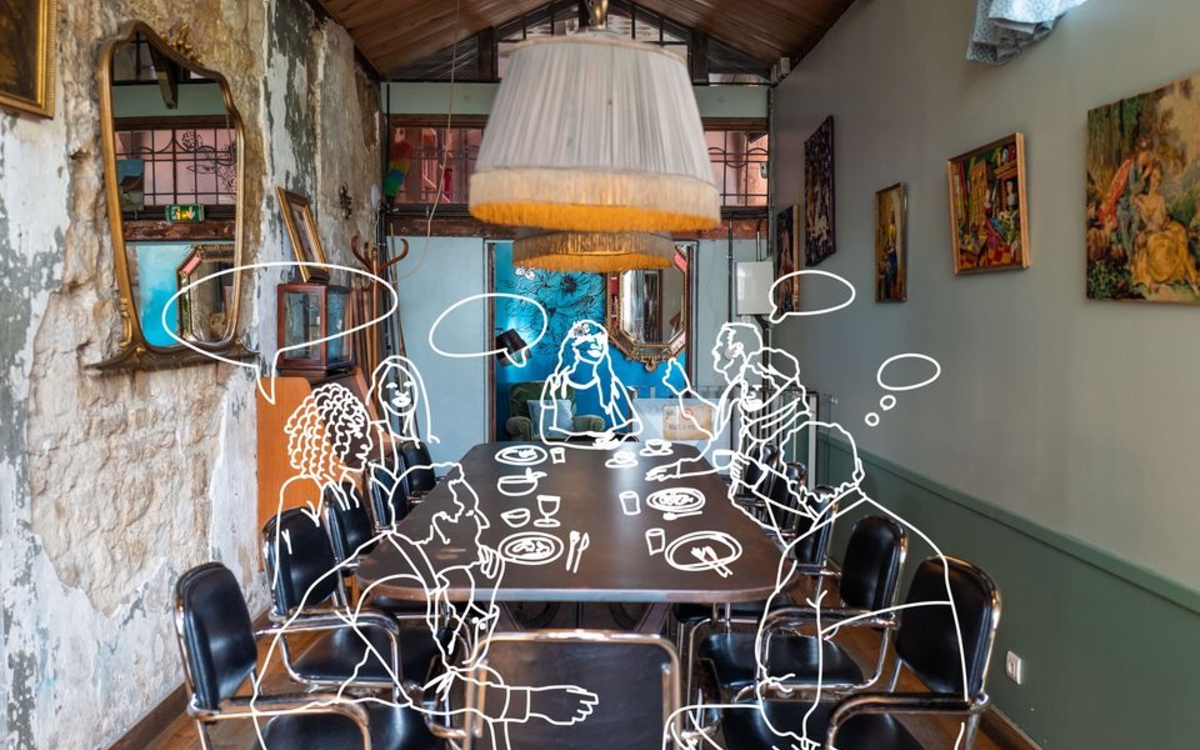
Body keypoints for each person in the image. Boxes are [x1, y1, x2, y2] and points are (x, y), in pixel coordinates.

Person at [539, 319, 641, 447]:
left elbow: (624, 426)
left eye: (600, 342)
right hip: (567, 445)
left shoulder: (610, 382)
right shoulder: (557, 382)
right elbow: (550, 425)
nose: (597, 344)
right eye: (592, 341)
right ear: (577, 348)